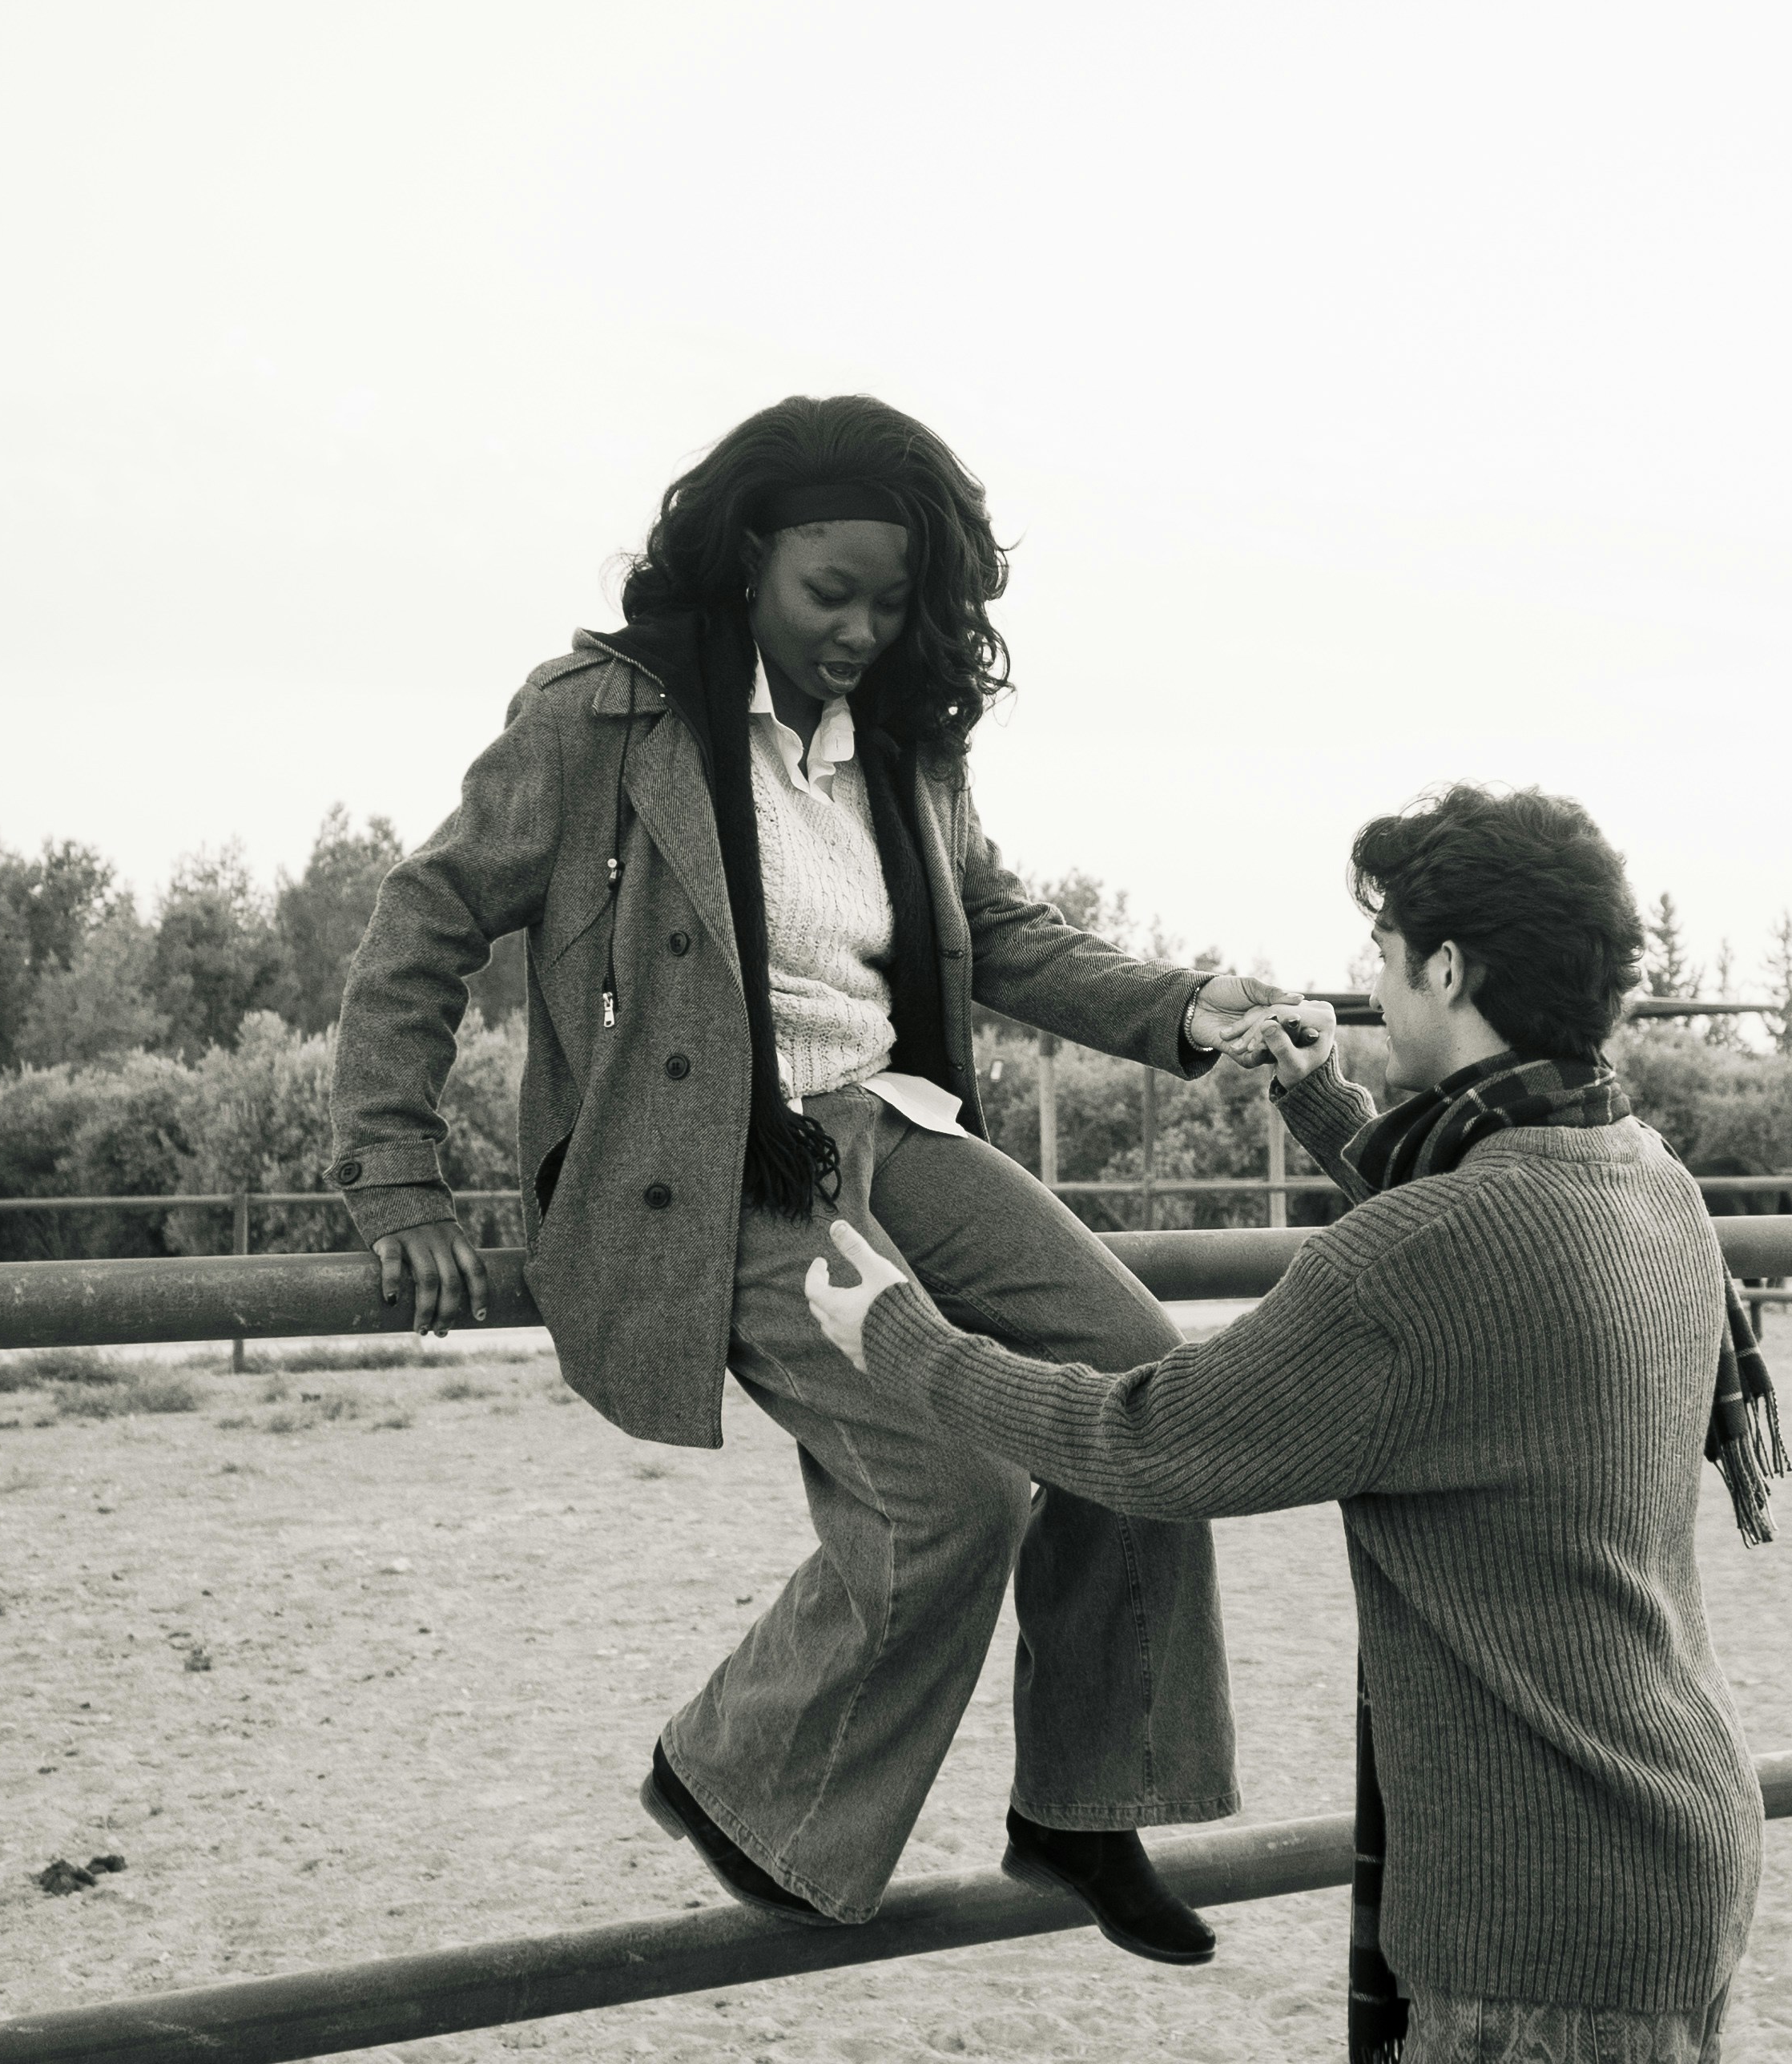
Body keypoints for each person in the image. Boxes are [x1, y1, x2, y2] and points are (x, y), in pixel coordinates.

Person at [325, 394, 1296, 1955]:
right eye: (825, 592)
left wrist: (1185, 1007)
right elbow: (424, 920)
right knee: (959, 1491)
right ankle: (744, 1781)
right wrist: (397, 1180)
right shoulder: (602, 717)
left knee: (1145, 1392)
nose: (857, 629)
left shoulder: (901, 746)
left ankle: (1078, 1808)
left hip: (890, 1123)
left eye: (890, 601)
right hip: (715, 1169)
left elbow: (1008, 934)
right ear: (744, 561)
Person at [807, 783, 1769, 2062]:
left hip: (1540, 1901)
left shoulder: (1429, 1251)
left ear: (1445, 965)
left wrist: (903, 1338)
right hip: (1678, 1841)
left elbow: (1146, 1441)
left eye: (1382, 953)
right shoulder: (1646, 1177)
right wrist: (1322, 1105)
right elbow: (1482, 1251)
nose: (1371, 978)